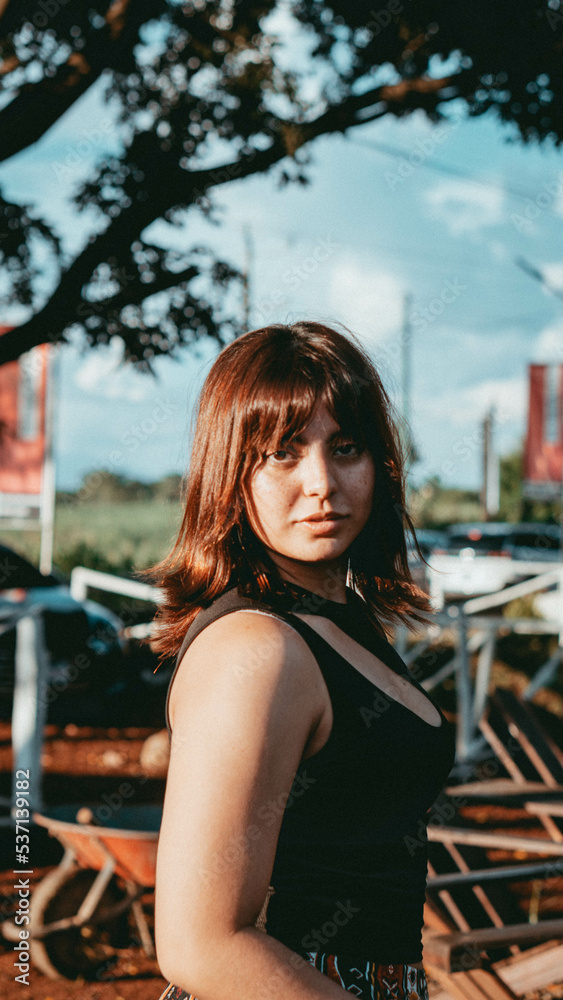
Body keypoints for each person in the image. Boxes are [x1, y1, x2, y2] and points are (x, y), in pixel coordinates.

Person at [150, 321, 456, 1000]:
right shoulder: (256, 648)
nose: (321, 483)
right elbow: (201, 945)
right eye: (282, 454)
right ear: (231, 474)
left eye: (345, 448)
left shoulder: (339, 622)